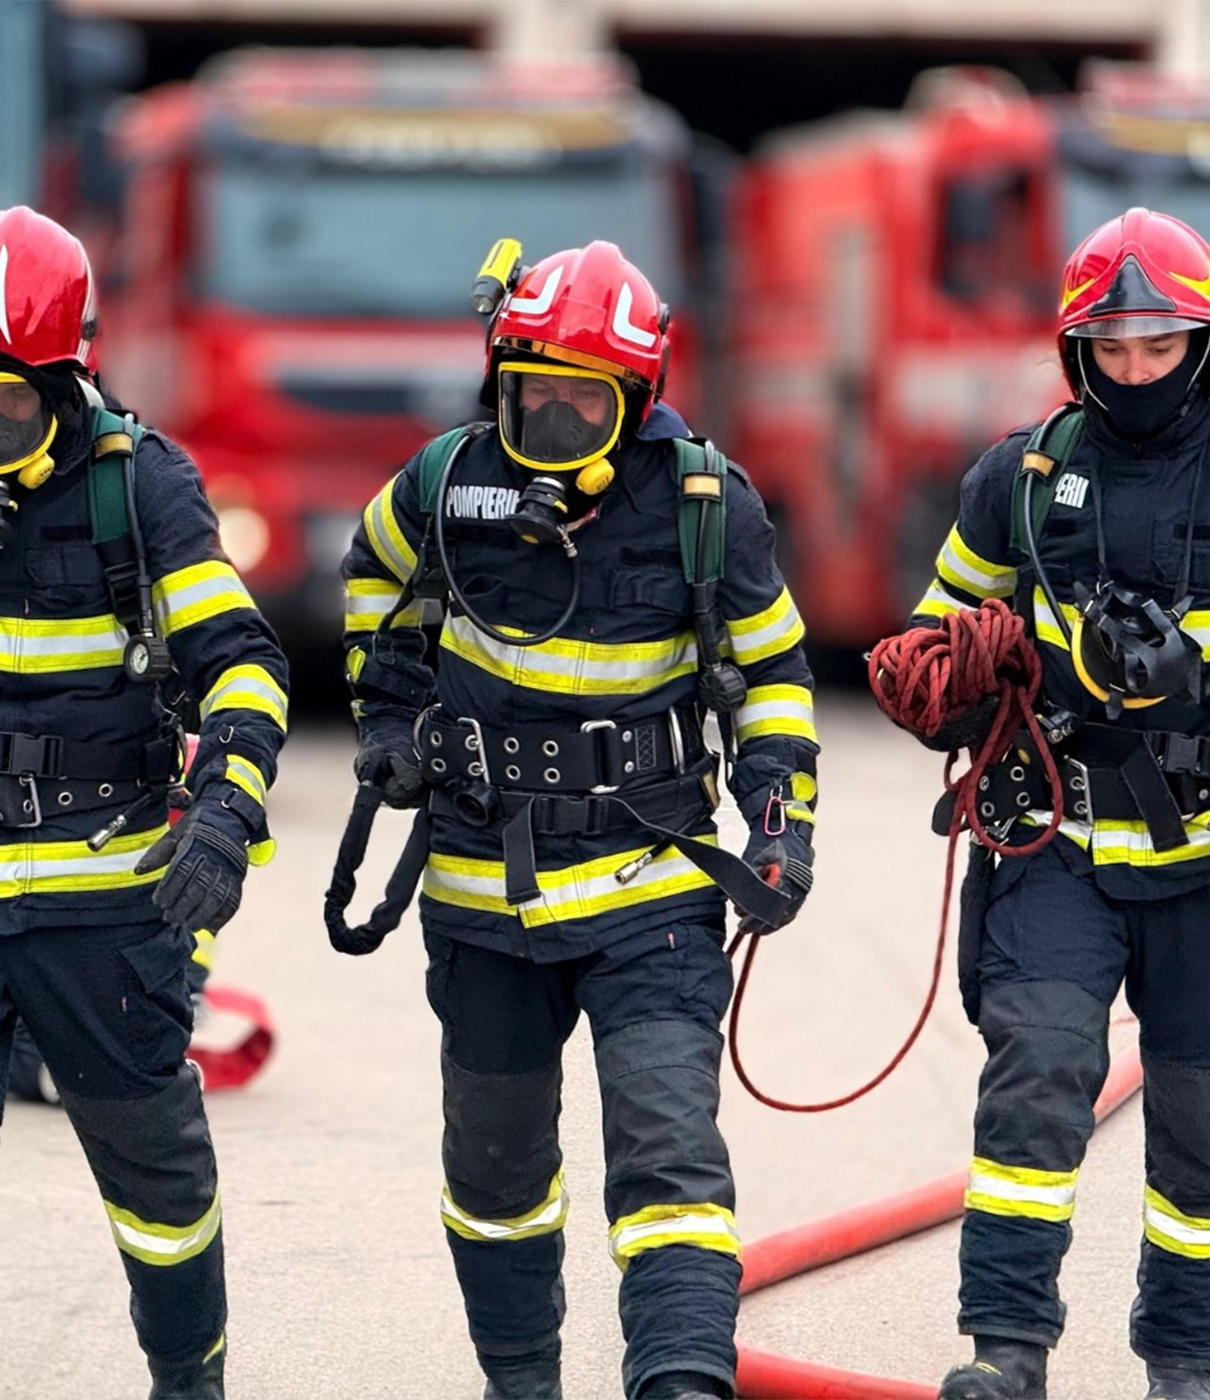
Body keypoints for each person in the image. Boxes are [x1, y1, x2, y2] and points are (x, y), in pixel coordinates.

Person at [338, 239, 818, 1400]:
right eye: (527, 394)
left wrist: (778, 819)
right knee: (493, 1175)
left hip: (651, 886)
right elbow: (371, 583)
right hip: (479, 891)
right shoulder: (443, 483)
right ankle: (521, 1380)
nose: (547, 420)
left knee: (668, 1156)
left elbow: (772, 678)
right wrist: (388, 717)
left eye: (579, 402)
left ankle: (682, 1377)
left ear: (636, 401)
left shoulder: (705, 505)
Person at [0, 207, 289, 1399]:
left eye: (8, 404)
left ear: (68, 381)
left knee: (156, 1179)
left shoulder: (139, 485)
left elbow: (243, 663)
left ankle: (187, 1379)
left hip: (101, 904)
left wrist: (225, 811)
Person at [874, 206, 1210, 1400]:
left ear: (1203, 344)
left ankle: (1180, 1367)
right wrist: (943, 681)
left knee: (1203, 1138)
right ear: (1073, 349)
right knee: (1033, 1083)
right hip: (1055, 840)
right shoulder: (1017, 478)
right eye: (1110, 347)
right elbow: (939, 625)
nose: (1134, 370)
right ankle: (1005, 1351)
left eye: (1158, 346)